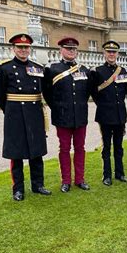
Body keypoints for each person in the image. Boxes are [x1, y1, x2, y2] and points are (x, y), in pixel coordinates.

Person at [0, 33, 51, 201]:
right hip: (15, 114)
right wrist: (10, 110)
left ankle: (38, 185)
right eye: (20, 47)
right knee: (16, 153)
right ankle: (18, 189)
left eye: (26, 47)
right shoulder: (4, 68)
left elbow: (43, 89)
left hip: (34, 113)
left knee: (36, 151)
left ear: (29, 48)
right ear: (14, 49)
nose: (23, 50)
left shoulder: (37, 67)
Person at [42, 37, 92, 193]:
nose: (72, 51)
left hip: (80, 116)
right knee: (64, 149)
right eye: (68, 48)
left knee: (80, 148)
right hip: (62, 116)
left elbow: (87, 92)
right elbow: (47, 92)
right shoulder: (52, 69)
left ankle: (80, 179)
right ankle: (66, 181)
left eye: (74, 49)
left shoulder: (85, 69)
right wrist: (57, 108)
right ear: (61, 50)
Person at [90, 40, 127, 186]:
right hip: (105, 114)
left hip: (120, 114)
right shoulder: (97, 71)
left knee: (119, 146)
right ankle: (106, 175)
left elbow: (125, 91)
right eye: (109, 52)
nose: (111, 54)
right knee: (106, 146)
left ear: (117, 54)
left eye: (114, 52)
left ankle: (120, 173)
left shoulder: (124, 71)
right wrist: (104, 105)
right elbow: (93, 92)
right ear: (104, 53)